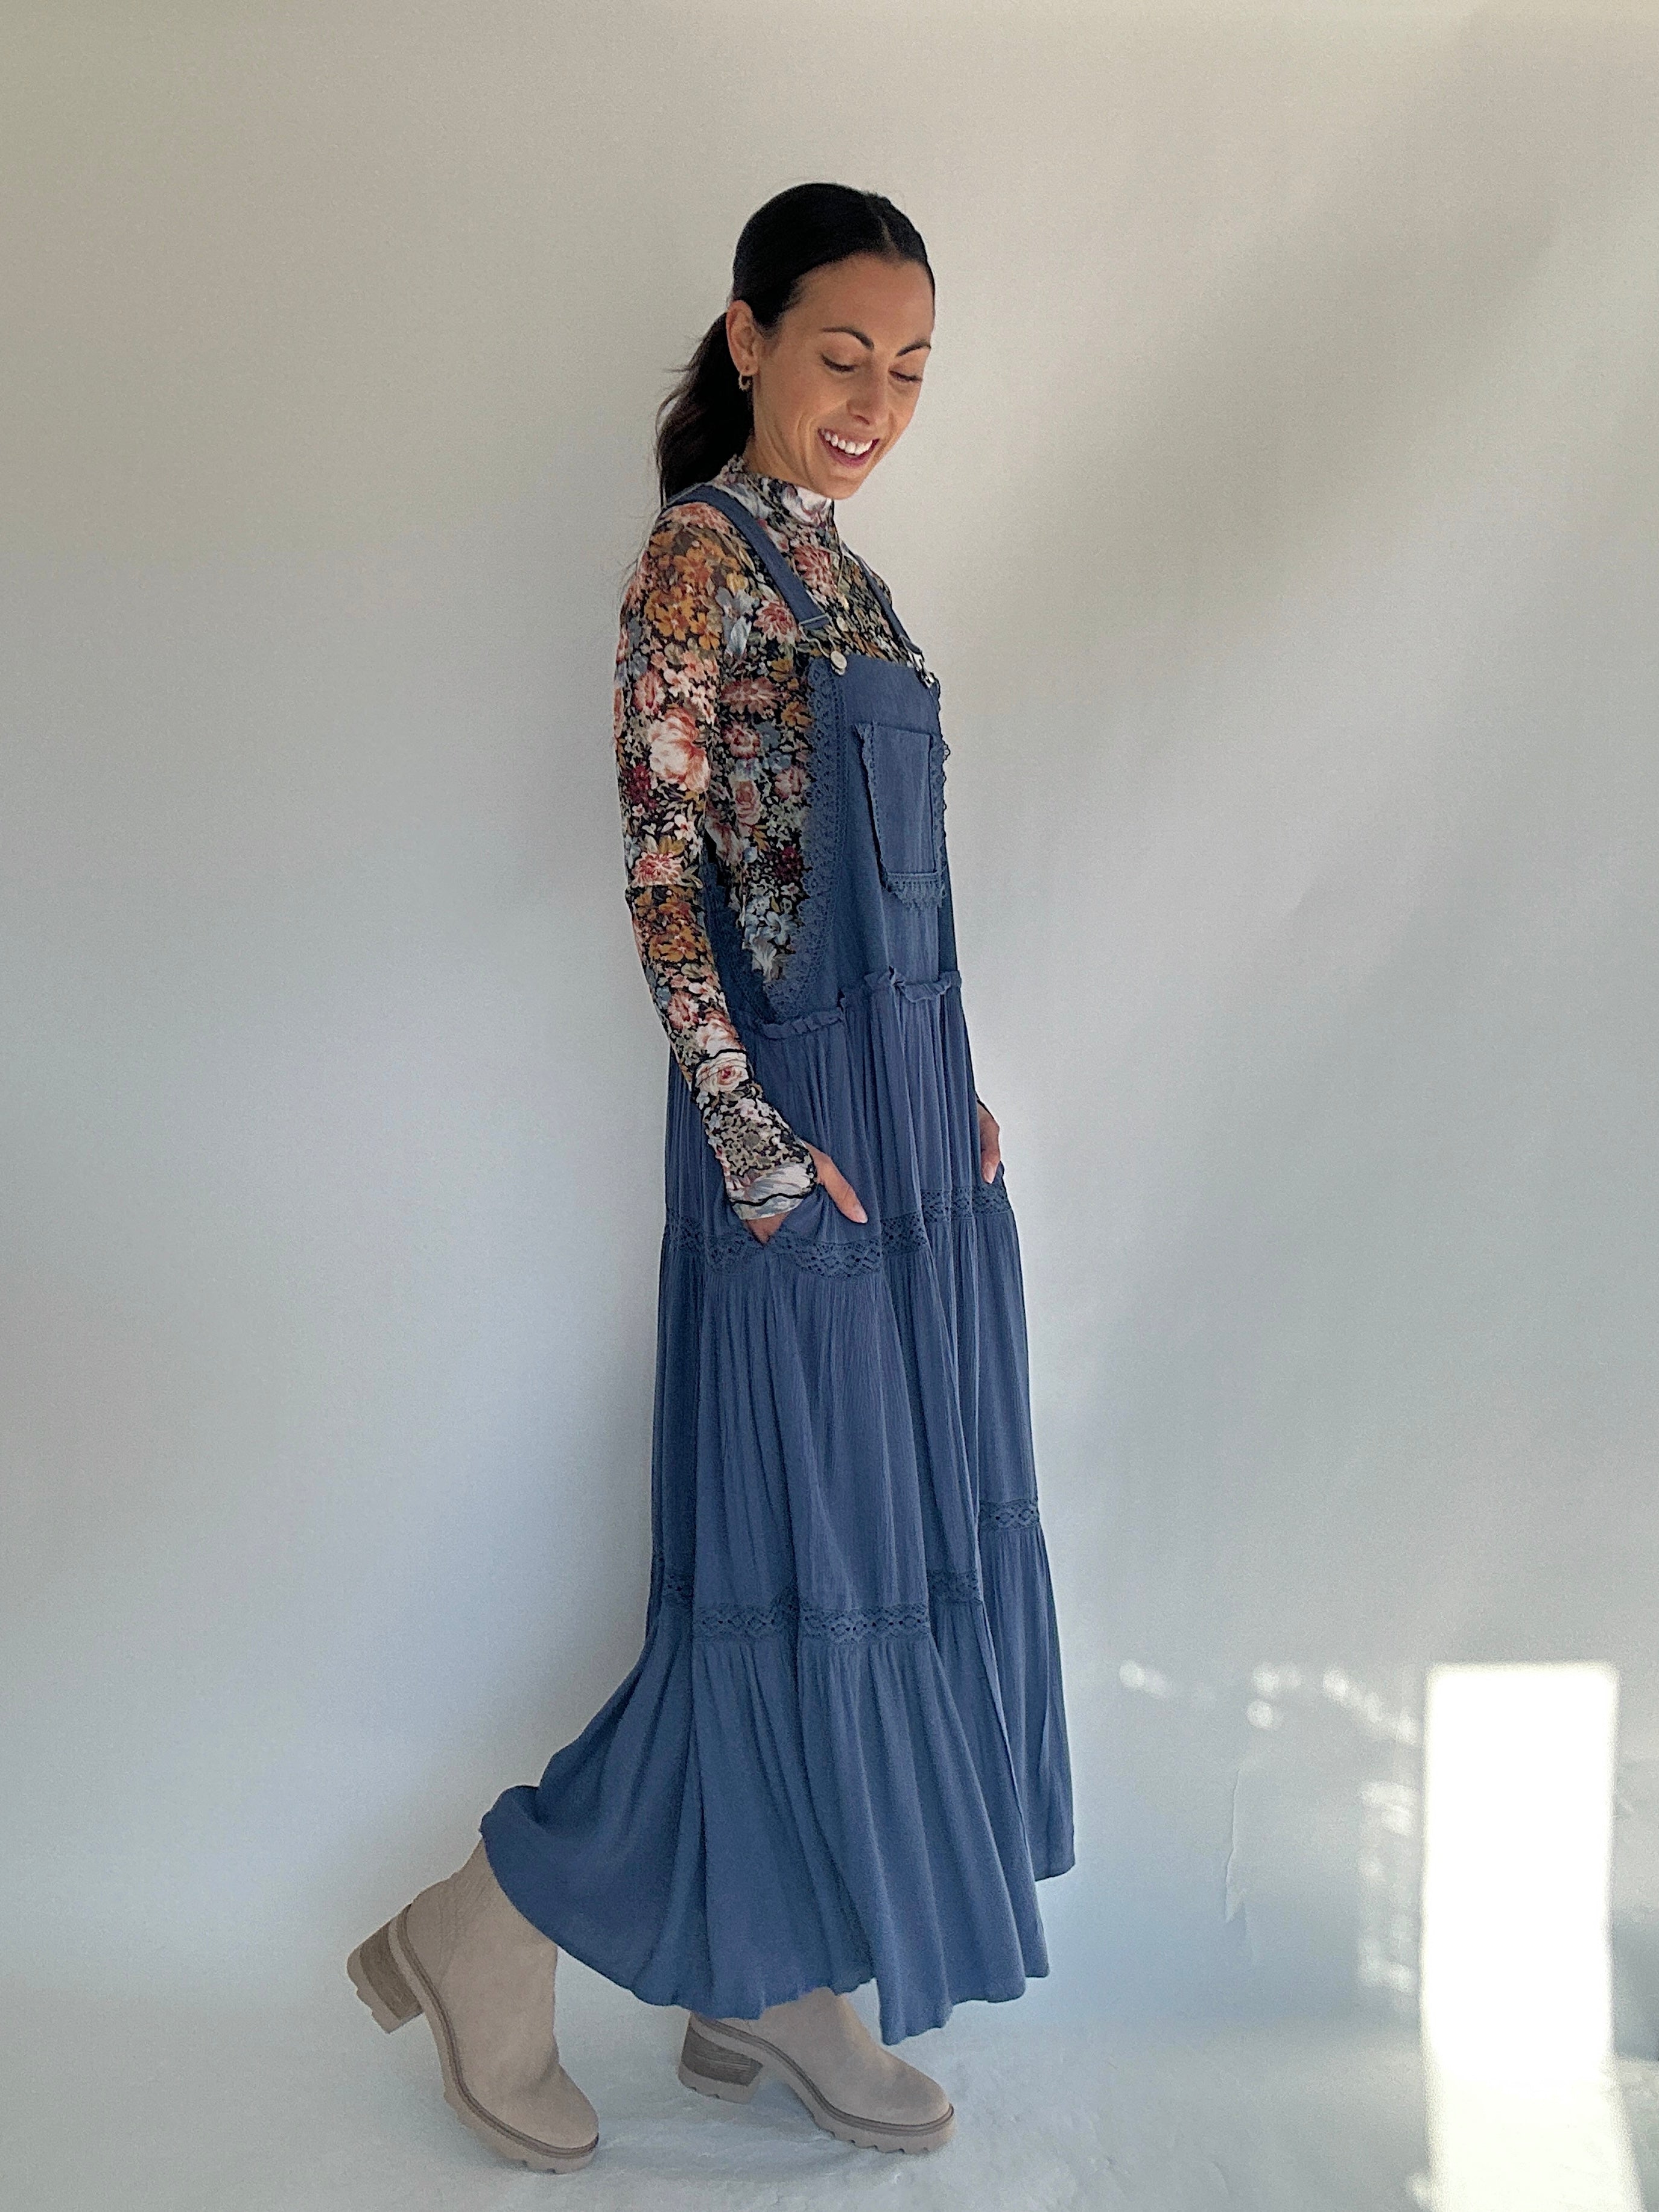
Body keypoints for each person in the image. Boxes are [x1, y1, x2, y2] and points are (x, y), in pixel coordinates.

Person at [347, 181, 1074, 2172]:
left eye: (913, 368)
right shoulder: (697, 566)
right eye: (842, 352)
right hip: (794, 1140)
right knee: (788, 1579)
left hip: (909, 1124)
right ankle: (488, 1923)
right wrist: (755, 1137)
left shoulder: (854, 580)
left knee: (876, 1559)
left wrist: (962, 1083)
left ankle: (768, 1971)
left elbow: (894, 882)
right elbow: (670, 886)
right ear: (748, 338)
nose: (876, 399)